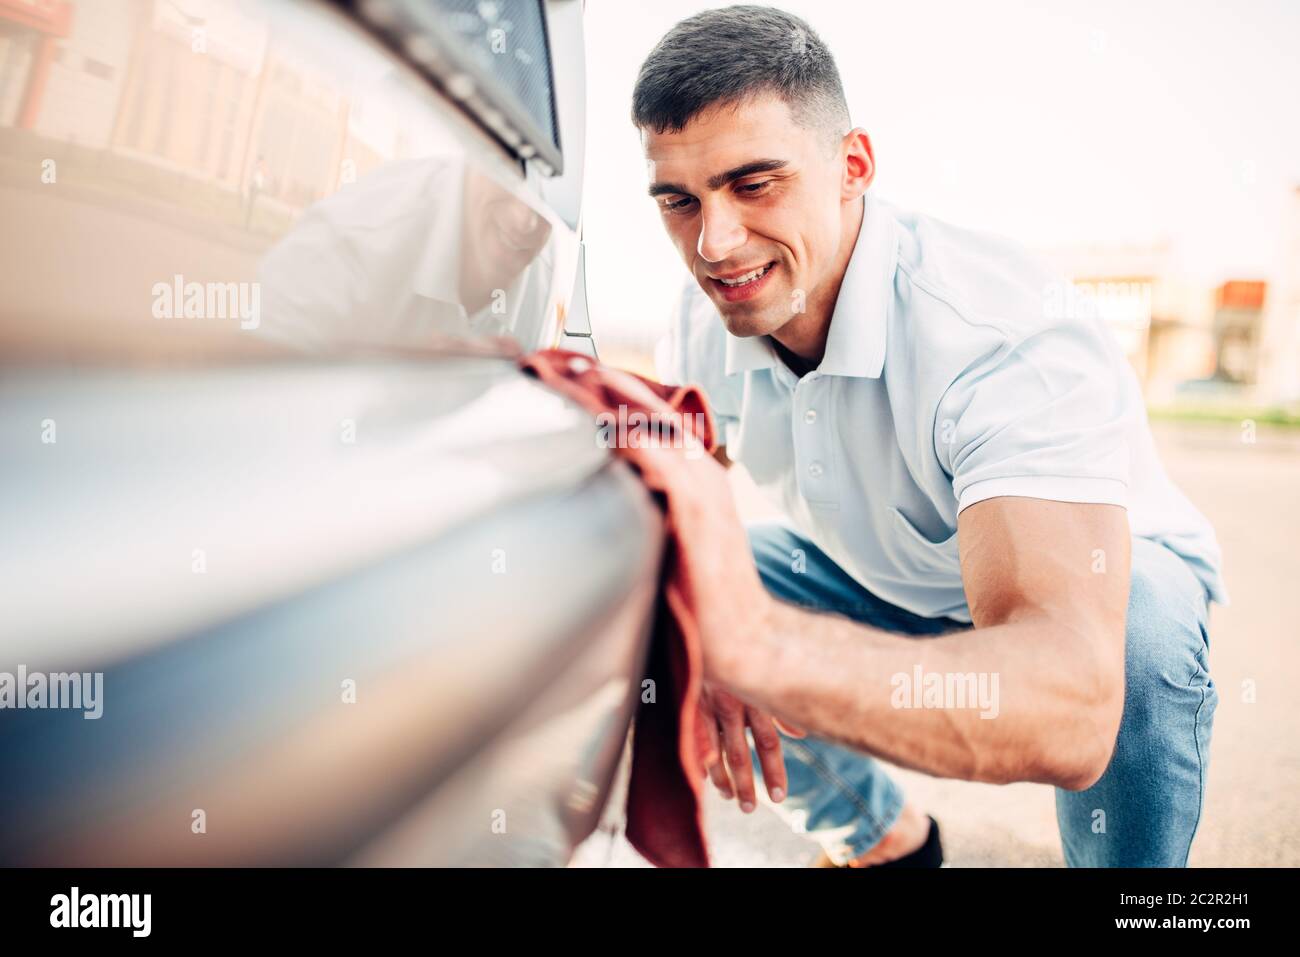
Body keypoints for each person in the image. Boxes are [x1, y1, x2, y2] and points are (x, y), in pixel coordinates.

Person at [636, 5, 1226, 867]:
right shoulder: (698, 326)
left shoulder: (996, 329)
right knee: (654, 592)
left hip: (1095, 591)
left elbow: (1069, 707)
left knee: (1130, 641)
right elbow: (684, 496)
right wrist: (690, 612)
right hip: (880, 582)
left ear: (853, 167)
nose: (714, 244)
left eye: (754, 185)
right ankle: (886, 844)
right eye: (679, 202)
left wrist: (756, 649)